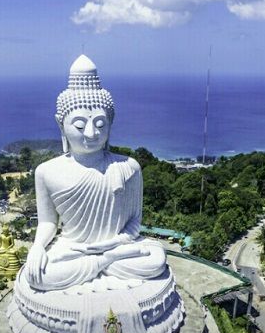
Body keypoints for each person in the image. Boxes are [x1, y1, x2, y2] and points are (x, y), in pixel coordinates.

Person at [23, 55, 167, 292]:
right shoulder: (46, 172)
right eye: (79, 125)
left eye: (100, 124)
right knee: (39, 275)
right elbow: (48, 222)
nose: (91, 133)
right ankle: (103, 264)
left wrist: (112, 244)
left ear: (111, 122)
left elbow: (134, 223)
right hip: (74, 248)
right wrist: (38, 247)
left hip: (117, 247)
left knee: (155, 260)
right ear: (61, 125)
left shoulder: (129, 167)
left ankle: (101, 262)